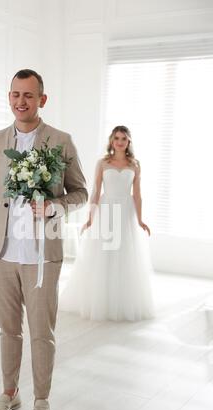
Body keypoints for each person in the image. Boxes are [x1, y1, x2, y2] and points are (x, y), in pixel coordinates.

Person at [0, 69, 88, 410]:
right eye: (15, 94)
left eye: (28, 95)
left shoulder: (61, 141)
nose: (21, 101)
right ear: (9, 97)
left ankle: (41, 400)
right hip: (2, 254)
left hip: (42, 256)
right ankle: (9, 393)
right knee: (8, 330)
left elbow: (81, 193)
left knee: (41, 331)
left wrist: (55, 206)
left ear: (42, 100)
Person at [59, 125, 154, 322]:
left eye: (124, 139)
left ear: (129, 142)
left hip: (125, 211)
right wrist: (90, 218)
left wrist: (140, 219)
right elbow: (95, 192)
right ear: (112, 140)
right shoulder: (103, 163)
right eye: (117, 138)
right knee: (103, 255)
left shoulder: (135, 164)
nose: (120, 142)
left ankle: (121, 302)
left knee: (125, 255)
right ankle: (101, 300)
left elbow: (137, 195)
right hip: (106, 209)